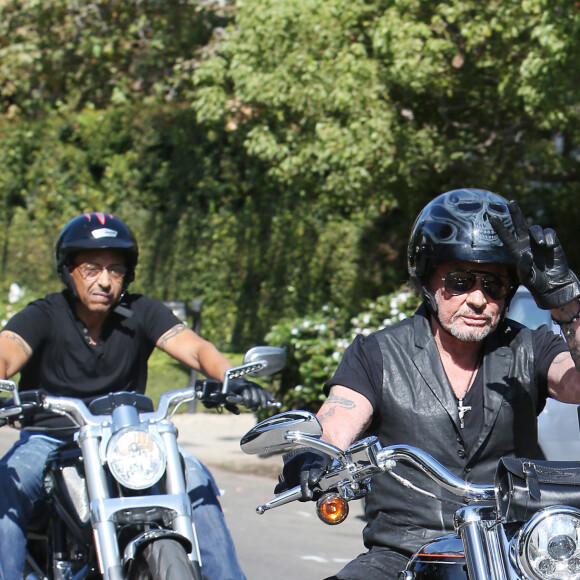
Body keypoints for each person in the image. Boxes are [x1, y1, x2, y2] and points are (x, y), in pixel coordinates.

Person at [276, 189, 580, 579]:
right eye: (460, 280)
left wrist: (567, 304)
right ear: (427, 278)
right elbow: (335, 422)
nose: (477, 298)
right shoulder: (378, 354)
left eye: (493, 285)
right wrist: (314, 456)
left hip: (513, 551)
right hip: (402, 552)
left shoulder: (531, 346)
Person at [0, 212, 274, 580]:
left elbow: (195, 349)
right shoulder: (45, 314)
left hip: (127, 441)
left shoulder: (141, 312)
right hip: (51, 437)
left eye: (116, 270)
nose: (105, 281)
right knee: (6, 485)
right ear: (68, 270)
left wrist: (230, 378)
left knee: (197, 481)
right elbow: (6, 351)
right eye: (92, 268)